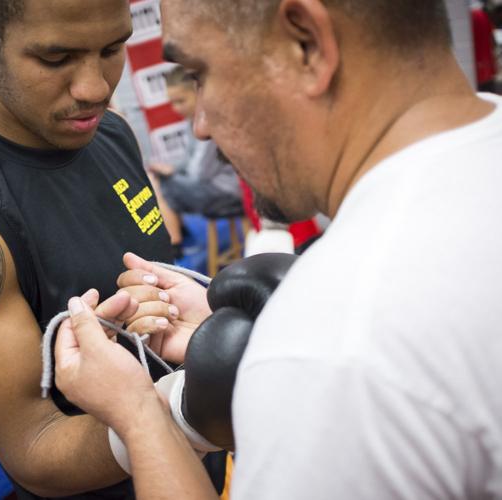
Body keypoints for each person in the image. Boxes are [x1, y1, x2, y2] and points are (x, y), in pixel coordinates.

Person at [53, 0, 502, 498]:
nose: (200, 124)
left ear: (305, 45)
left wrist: (140, 414)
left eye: (200, 73)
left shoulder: (337, 344)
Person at [0, 1, 226, 498]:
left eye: (112, 48)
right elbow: (35, 447)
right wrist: (189, 410)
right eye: (55, 58)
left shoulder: (110, 130)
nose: (93, 86)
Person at [148, 66, 244, 256]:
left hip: (232, 195)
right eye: (172, 103)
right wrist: (171, 168)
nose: (176, 109)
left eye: (181, 101)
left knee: (157, 183)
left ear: (198, 93)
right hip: (216, 189)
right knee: (156, 177)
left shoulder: (210, 124)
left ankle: (175, 244)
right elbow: (189, 161)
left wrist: (171, 173)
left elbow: (198, 175)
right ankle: (177, 237)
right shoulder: (193, 122)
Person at [472, 1, 498, 92]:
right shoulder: (483, 15)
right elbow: (492, 40)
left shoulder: (471, 17)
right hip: (487, 66)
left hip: (476, 71)